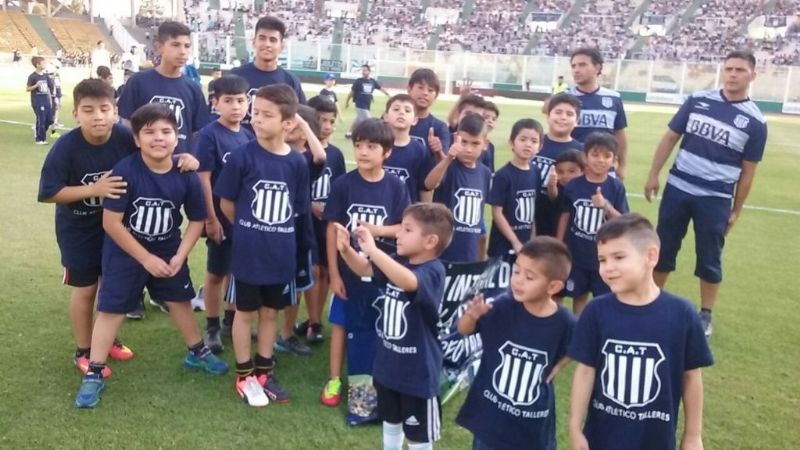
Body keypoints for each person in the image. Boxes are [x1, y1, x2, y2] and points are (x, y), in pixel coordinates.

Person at [74, 104, 227, 409]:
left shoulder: (187, 173)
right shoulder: (125, 171)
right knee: (112, 309)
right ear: (136, 139)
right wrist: (145, 258)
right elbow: (111, 224)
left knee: (180, 301)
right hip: (126, 253)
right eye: (150, 132)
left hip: (168, 249)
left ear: (177, 137)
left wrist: (180, 256)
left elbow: (197, 219)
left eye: (166, 131)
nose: (159, 138)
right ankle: (94, 371)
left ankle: (196, 351)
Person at [644, 50, 768, 337]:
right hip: (678, 188)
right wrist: (654, 174)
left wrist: (736, 209)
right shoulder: (698, 100)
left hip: (715, 198)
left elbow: (748, 171)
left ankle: (706, 314)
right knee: (663, 248)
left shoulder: (755, 122)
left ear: (752, 75)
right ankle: (651, 303)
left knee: (709, 257)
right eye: (728, 69)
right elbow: (671, 137)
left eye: (739, 70)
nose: (733, 74)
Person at [567, 214, 714, 450]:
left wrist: (693, 435)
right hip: (602, 438)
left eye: (619, 257)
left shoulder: (682, 314)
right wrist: (574, 428)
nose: (608, 268)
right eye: (602, 260)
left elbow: (691, 377)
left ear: (651, 256)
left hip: (654, 439)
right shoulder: (596, 311)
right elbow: (585, 371)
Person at [214, 84, 309, 407]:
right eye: (256, 113)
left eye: (267, 115)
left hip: (280, 254)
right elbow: (227, 203)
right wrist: (248, 229)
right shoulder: (243, 156)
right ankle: (244, 375)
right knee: (245, 313)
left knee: (270, 313)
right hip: (249, 253)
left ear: (288, 123)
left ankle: (264, 370)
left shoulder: (296, 162)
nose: (257, 119)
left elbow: (297, 208)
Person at [37, 79, 139, 379]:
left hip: (116, 228)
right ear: (75, 114)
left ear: (116, 111)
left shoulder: (124, 137)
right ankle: (83, 350)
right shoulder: (66, 147)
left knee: (112, 287)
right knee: (86, 289)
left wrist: (182, 158)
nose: (98, 116)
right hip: (78, 231)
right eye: (89, 110)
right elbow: (49, 192)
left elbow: (151, 153)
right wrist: (94, 188)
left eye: (105, 109)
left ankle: (106, 339)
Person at [333, 202, 454, 450]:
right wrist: (346, 250)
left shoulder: (433, 270)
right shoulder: (399, 261)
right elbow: (364, 269)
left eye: (407, 230)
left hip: (418, 374)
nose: (398, 234)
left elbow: (410, 282)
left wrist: (374, 250)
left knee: (418, 435)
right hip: (389, 367)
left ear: (430, 241)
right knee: (391, 420)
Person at [321, 119, 411, 407]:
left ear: (386, 152)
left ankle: (374, 379)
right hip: (347, 272)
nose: (363, 152)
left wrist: (375, 231)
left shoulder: (395, 186)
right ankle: (334, 378)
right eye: (358, 145)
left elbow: (403, 228)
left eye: (371, 146)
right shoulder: (344, 184)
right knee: (340, 323)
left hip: (381, 271)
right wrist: (334, 274)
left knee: (378, 326)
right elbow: (332, 229)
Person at [456, 237, 576, 450]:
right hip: (491, 415)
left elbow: (581, 345)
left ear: (554, 286)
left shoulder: (564, 322)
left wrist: (559, 365)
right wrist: (471, 316)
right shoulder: (503, 307)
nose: (518, 280)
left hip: (531, 418)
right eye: (516, 271)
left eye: (529, 277)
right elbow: (463, 330)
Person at [192, 74, 254, 352]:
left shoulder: (248, 135)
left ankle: (231, 320)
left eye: (240, 100)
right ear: (215, 103)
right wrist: (211, 218)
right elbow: (203, 178)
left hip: (244, 219)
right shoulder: (209, 135)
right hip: (219, 216)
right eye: (228, 101)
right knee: (216, 272)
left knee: (238, 270)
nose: (235, 107)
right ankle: (212, 325)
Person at [293, 96, 347, 344]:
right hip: (307, 219)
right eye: (321, 120)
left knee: (325, 270)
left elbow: (340, 186)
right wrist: (312, 206)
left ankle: (315, 320)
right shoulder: (300, 154)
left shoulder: (335, 154)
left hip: (328, 220)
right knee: (311, 269)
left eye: (331, 121)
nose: (326, 125)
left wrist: (332, 212)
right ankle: (313, 320)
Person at [557, 133, 628, 315]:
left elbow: (622, 221)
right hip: (577, 253)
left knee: (603, 299)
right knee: (578, 295)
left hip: (604, 256)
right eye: (595, 155)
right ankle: (576, 329)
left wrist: (605, 205)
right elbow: (565, 215)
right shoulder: (574, 185)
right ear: (585, 157)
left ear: (614, 160)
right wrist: (559, 243)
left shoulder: (616, 187)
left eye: (606, 156)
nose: (600, 160)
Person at [276, 105, 327, 357]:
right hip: (273, 230)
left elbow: (320, 158)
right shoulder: (273, 154)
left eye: (294, 123)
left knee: (295, 285)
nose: (289, 126)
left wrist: (306, 126)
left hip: (299, 230)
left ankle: (286, 334)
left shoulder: (305, 158)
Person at [118, 21, 210, 156]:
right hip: (143, 164)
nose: (182, 52)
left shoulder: (193, 88)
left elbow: (196, 133)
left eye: (187, 46)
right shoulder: (138, 82)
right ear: (159, 47)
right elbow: (127, 124)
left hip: (178, 167)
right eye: (175, 45)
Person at [425, 114, 491, 263]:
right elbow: (429, 184)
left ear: (485, 144)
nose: (468, 149)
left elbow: (479, 216)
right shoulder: (449, 166)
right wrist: (448, 158)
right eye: (464, 142)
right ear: (456, 138)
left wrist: (481, 257)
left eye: (475, 144)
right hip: (443, 250)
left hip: (469, 249)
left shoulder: (485, 173)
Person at [232, 16, 306, 130]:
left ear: (282, 46)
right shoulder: (235, 77)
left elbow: (300, 120)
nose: (267, 44)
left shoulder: (290, 81)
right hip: (239, 146)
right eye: (262, 38)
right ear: (253, 42)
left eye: (273, 40)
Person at [567, 47, 629, 179]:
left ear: (597, 68)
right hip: (574, 168)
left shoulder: (614, 98)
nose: (576, 70)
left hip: (604, 168)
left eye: (582, 65)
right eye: (573, 66)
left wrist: (622, 165)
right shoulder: (565, 98)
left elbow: (620, 133)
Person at [487, 119, 544, 257]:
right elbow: (497, 213)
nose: (528, 145)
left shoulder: (536, 172)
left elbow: (533, 210)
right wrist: (515, 241)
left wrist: (533, 239)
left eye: (534, 141)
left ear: (540, 147)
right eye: (523, 139)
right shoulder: (503, 175)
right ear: (512, 142)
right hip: (503, 244)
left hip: (525, 243)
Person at [533, 93, 585, 237]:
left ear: (577, 121)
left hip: (562, 218)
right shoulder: (534, 143)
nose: (563, 117)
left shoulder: (581, 151)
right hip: (532, 214)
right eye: (558, 112)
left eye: (569, 114)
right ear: (548, 116)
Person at [383, 93, 435, 203]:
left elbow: (424, 188)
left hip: (408, 213)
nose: (401, 113)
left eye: (407, 110)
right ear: (386, 116)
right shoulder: (378, 147)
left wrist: (426, 217)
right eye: (396, 109)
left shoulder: (419, 150)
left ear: (415, 120)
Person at [407, 68, 451, 171]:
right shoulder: (395, 120)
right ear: (409, 89)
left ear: (436, 95)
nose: (425, 93)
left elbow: (444, 165)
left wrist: (438, 151)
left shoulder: (439, 127)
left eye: (430, 90)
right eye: (420, 87)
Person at [345, 64, 390, 138]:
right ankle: (372, 136)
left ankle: (349, 133)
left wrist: (388, 95)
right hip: (359, 104)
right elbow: (352, 92)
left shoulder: (372, 81)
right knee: (368, 121)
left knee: (358, 120)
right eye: (362, 70)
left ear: (369, 71)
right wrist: (347, 102)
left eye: (365, 70)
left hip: (367, 105)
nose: (363, 72)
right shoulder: (358, 81)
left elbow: (380, 88)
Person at [26, 56, 54, 145]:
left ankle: (38, 131)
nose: (45, 64)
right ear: (37, 65)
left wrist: (51, 99)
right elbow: (27, 88)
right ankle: (40, 139)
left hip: (46, 101)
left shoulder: (46, 75)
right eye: (43, 63)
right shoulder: (33, 76)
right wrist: (36, 85)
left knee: (50, 120)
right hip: (37, 101)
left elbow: (50, 87)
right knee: (41, 119)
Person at [479, 101, 499, 173]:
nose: (490, 121)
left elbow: (491, 172)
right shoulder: (469, 142)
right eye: (486, 117)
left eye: (493, 119)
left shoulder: (490, 146)